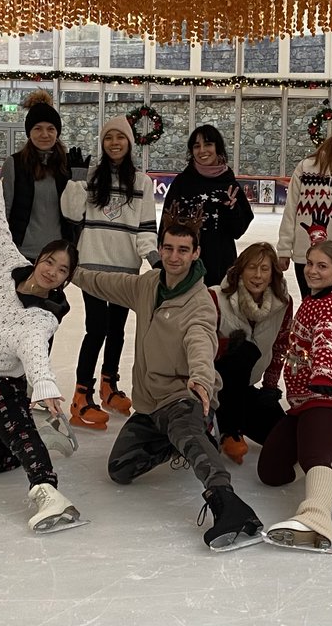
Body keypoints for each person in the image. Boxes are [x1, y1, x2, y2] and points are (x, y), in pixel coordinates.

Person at [73, 223, 264, 551]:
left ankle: (229, 504)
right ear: (160, 250)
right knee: (120, 468)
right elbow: (104, 283)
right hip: (149, 404)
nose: (175, 256)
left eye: (183, 250)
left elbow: (201, 343)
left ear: (196, 254)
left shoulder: (199, 303)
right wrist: (68, 273)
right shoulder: (148, 284)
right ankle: (189, 438)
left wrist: (201, 381)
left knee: (187, 432)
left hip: (183, 396)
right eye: (169, 248)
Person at [0, 175, 85, 532]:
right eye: (50, 262)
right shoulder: (7, 266)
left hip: (0, 386)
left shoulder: (41, 317)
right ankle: (42, 435)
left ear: (66, 279)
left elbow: (34, 353)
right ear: (40, 257)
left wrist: (44, 386)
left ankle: (47, 491)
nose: (52, 272)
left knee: (12, 424)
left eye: (62, 271)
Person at [61, 116, 158, 427]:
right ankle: (81, 394)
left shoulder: (141, 182)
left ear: (130, 142)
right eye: (108, 138)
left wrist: (154, 259)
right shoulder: (90, 177)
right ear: (102, 143)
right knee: (96, 329)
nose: (114, 142)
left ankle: (109, 384)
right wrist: (75, 177)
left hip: (125, 270)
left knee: (117, 329)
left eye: (120, 137)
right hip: (91, 267)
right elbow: (71, 212)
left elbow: (145, 229)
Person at [260, 240, 332, 552]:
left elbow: (328, 336)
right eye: (310, 263)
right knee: (271, 473)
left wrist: (323, 371)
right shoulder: (315, 296)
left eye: (322, 266)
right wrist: (317, 234)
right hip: (300, 402)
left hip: (328, 399)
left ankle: (316, 518)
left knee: (313, 459)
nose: (312, 270)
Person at [277, 119, 332, 380]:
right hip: (306, 256)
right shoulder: (306, 166)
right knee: (310, 316)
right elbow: (291, 208)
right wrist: (284, 247)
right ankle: (307, 373)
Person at [209, 242, 293, 465]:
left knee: (282, 438)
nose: (258, 275)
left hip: (245, 389)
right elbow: (197, 345)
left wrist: (270, 386)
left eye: (264, 269)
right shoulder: (216, 298)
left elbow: (281, 345)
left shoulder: (283, 304)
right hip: (215, 387)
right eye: (251, 268)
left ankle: (234, 421)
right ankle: (225, 428)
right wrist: (226, 346)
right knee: (245, 351)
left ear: (273, 273)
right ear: (240, 270)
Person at [162, 124, 254, 286]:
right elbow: (166, 222)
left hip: (219, 268)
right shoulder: (182, 182)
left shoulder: (230, 185)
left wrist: (232, 209)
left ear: (217, 147)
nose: (202, 150)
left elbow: (238, 231)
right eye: (197, 146)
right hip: (184, 267)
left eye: (208, 144)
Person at [1, 89, 79, 260]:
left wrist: (80, 177)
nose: (45, 134)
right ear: (29, 132)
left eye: (50, 128)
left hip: (58, 253)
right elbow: (5, 210)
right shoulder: (14, 164)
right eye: (38, 128)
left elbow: (78, 209)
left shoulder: (66, 164)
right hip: (22, 253)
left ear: (57, 132)